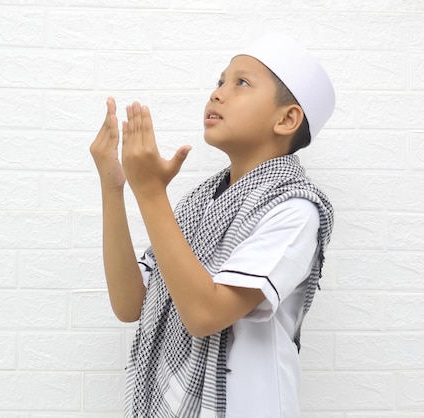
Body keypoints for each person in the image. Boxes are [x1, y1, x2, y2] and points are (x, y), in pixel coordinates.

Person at [89, 32, 335, 418]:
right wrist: (114, 186)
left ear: (287, 119)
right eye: (219, 81)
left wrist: (152, 194)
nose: (218, 93)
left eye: (241, 83)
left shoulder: (296, 209)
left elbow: (205, 314)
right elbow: (129, 303)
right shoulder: (202, 202)